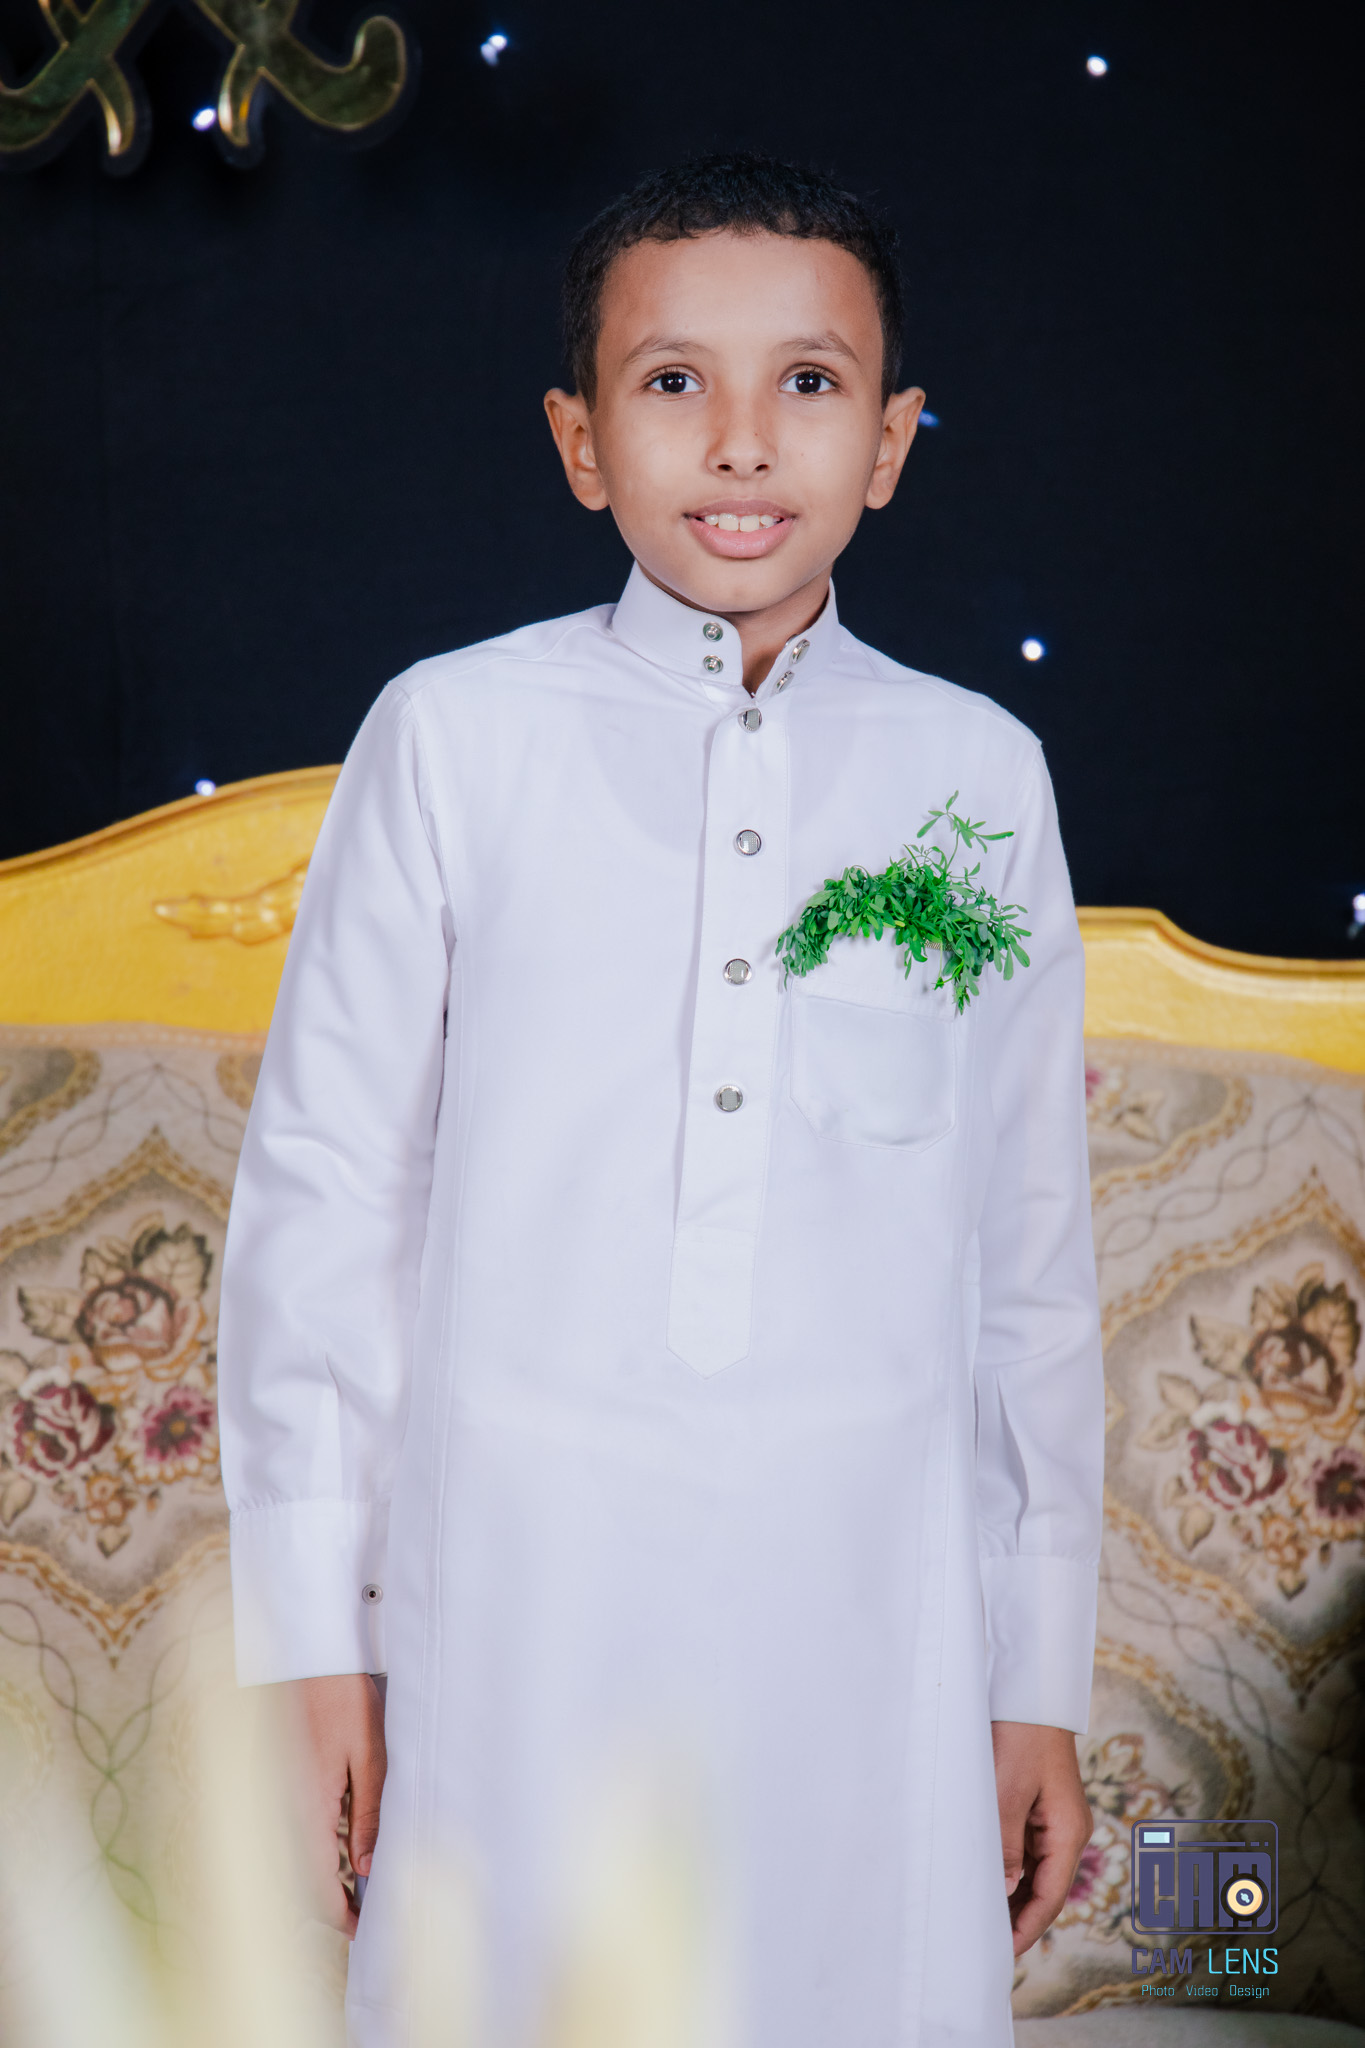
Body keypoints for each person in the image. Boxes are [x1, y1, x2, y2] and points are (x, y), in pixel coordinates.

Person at [219, 150, 1104, 2048]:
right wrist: (312, 1642)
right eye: (672, 380)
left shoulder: (976, 774)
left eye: (809, 382)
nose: (740, 442)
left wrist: (1035, 1673)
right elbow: (325, 1201)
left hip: (866, 1627)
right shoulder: (454, 738)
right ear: (577, 439)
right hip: (516, 1602)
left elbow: (1026, 1262)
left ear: (892, 441)